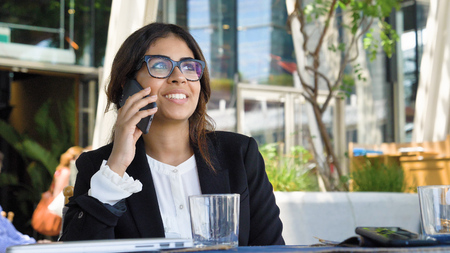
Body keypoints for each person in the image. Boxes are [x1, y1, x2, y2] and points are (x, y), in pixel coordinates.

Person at [60, 22, 285, 246]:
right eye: (159, 66)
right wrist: (117, 166)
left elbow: (272, 247)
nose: (179, 77)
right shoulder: (99, 167)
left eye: (189, 67)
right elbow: (80, 248)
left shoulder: (239, 155)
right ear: (126, 84)